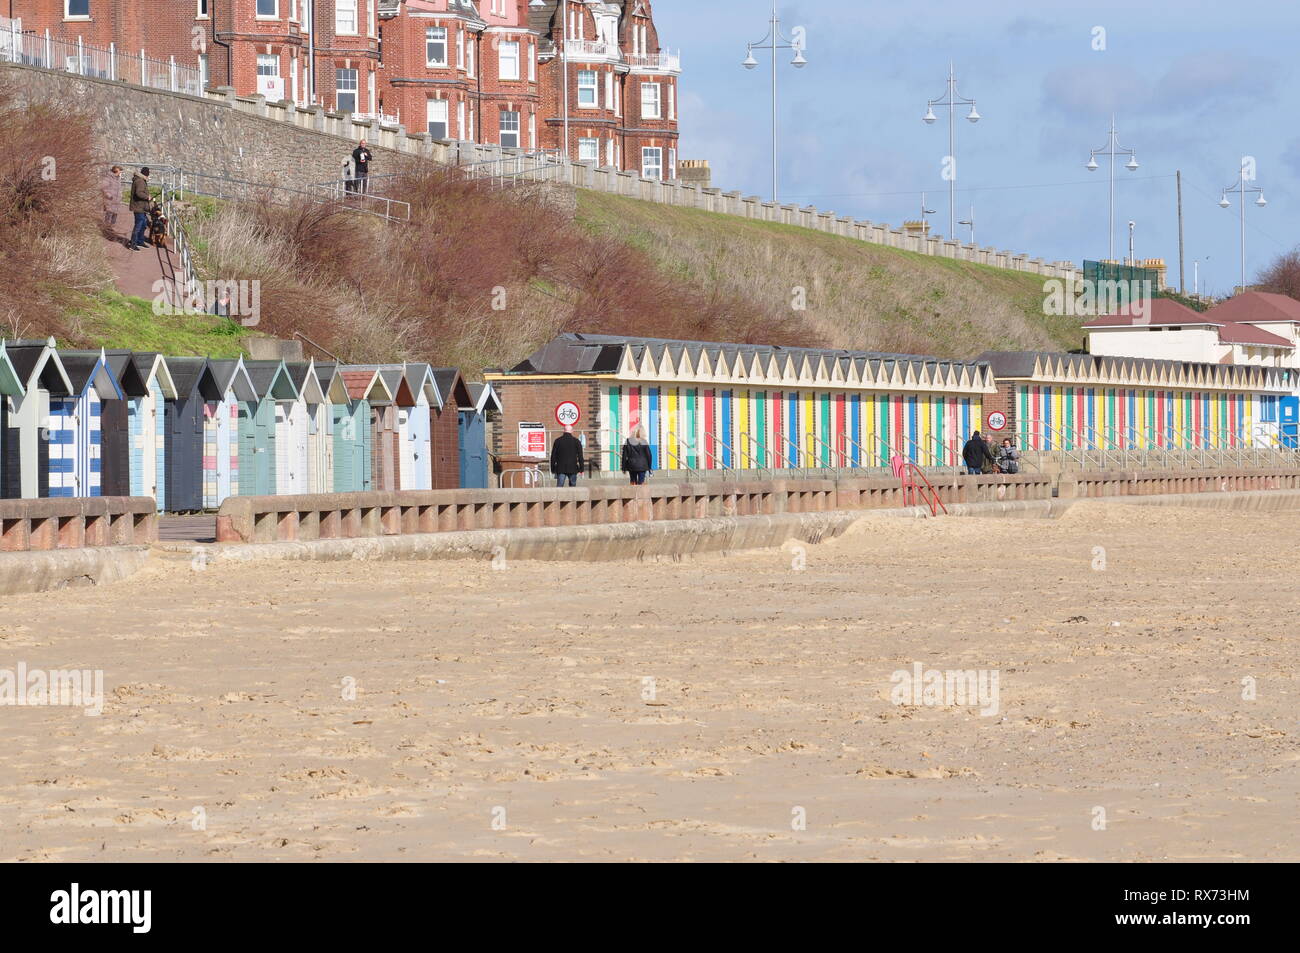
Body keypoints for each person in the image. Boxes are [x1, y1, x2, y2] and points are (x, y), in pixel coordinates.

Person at [127, 166, 151, 251]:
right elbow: (139, 193)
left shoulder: (141, 180)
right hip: (138, 207)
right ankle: (133, 244)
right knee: (138, 225)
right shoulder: (140, 181)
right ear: (146, 174)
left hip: (141, 207)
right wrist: (147, 197)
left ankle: (140, 241)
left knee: (143, 225)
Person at [101, 164, 123, 228]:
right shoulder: (108, 178)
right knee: (109, 215)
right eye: (120, 171)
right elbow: (103, 188)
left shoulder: (118, 178)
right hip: (110, 200)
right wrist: (109, 195)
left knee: (115, 216)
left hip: (117, 200)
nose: (120, 173)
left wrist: (121, 195)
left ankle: (111, 229)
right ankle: (106, 229)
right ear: (116, 171)